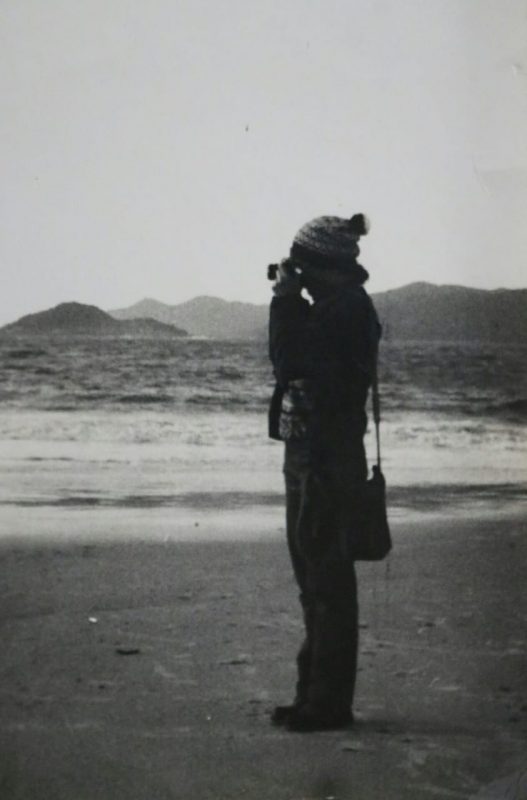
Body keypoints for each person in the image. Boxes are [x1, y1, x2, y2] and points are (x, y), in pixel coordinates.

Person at [268, 213, 381, 732]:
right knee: (313, 580)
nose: (297, 274)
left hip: (327, 459)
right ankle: (313, 694)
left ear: (323, 264)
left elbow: (290, 360)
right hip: (310, 453)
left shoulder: (348, 310)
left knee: (326, 581)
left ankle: (328, 703)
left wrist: (285, 301)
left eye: (303, 264)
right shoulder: (336, 306)